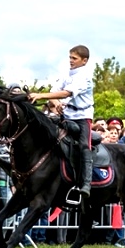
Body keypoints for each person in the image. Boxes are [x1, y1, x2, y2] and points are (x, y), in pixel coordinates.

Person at [29, 45, 94, 204]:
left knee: (85, 145)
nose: (70, 61)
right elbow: (55, 92)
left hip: (83, 115)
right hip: (67, 114)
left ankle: (85, 184)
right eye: (70, 57)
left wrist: (40, 95)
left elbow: (66, 93)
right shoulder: (66, 74)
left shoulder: (84, 76)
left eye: (74, 58)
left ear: (84, 61)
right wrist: (56, 102)